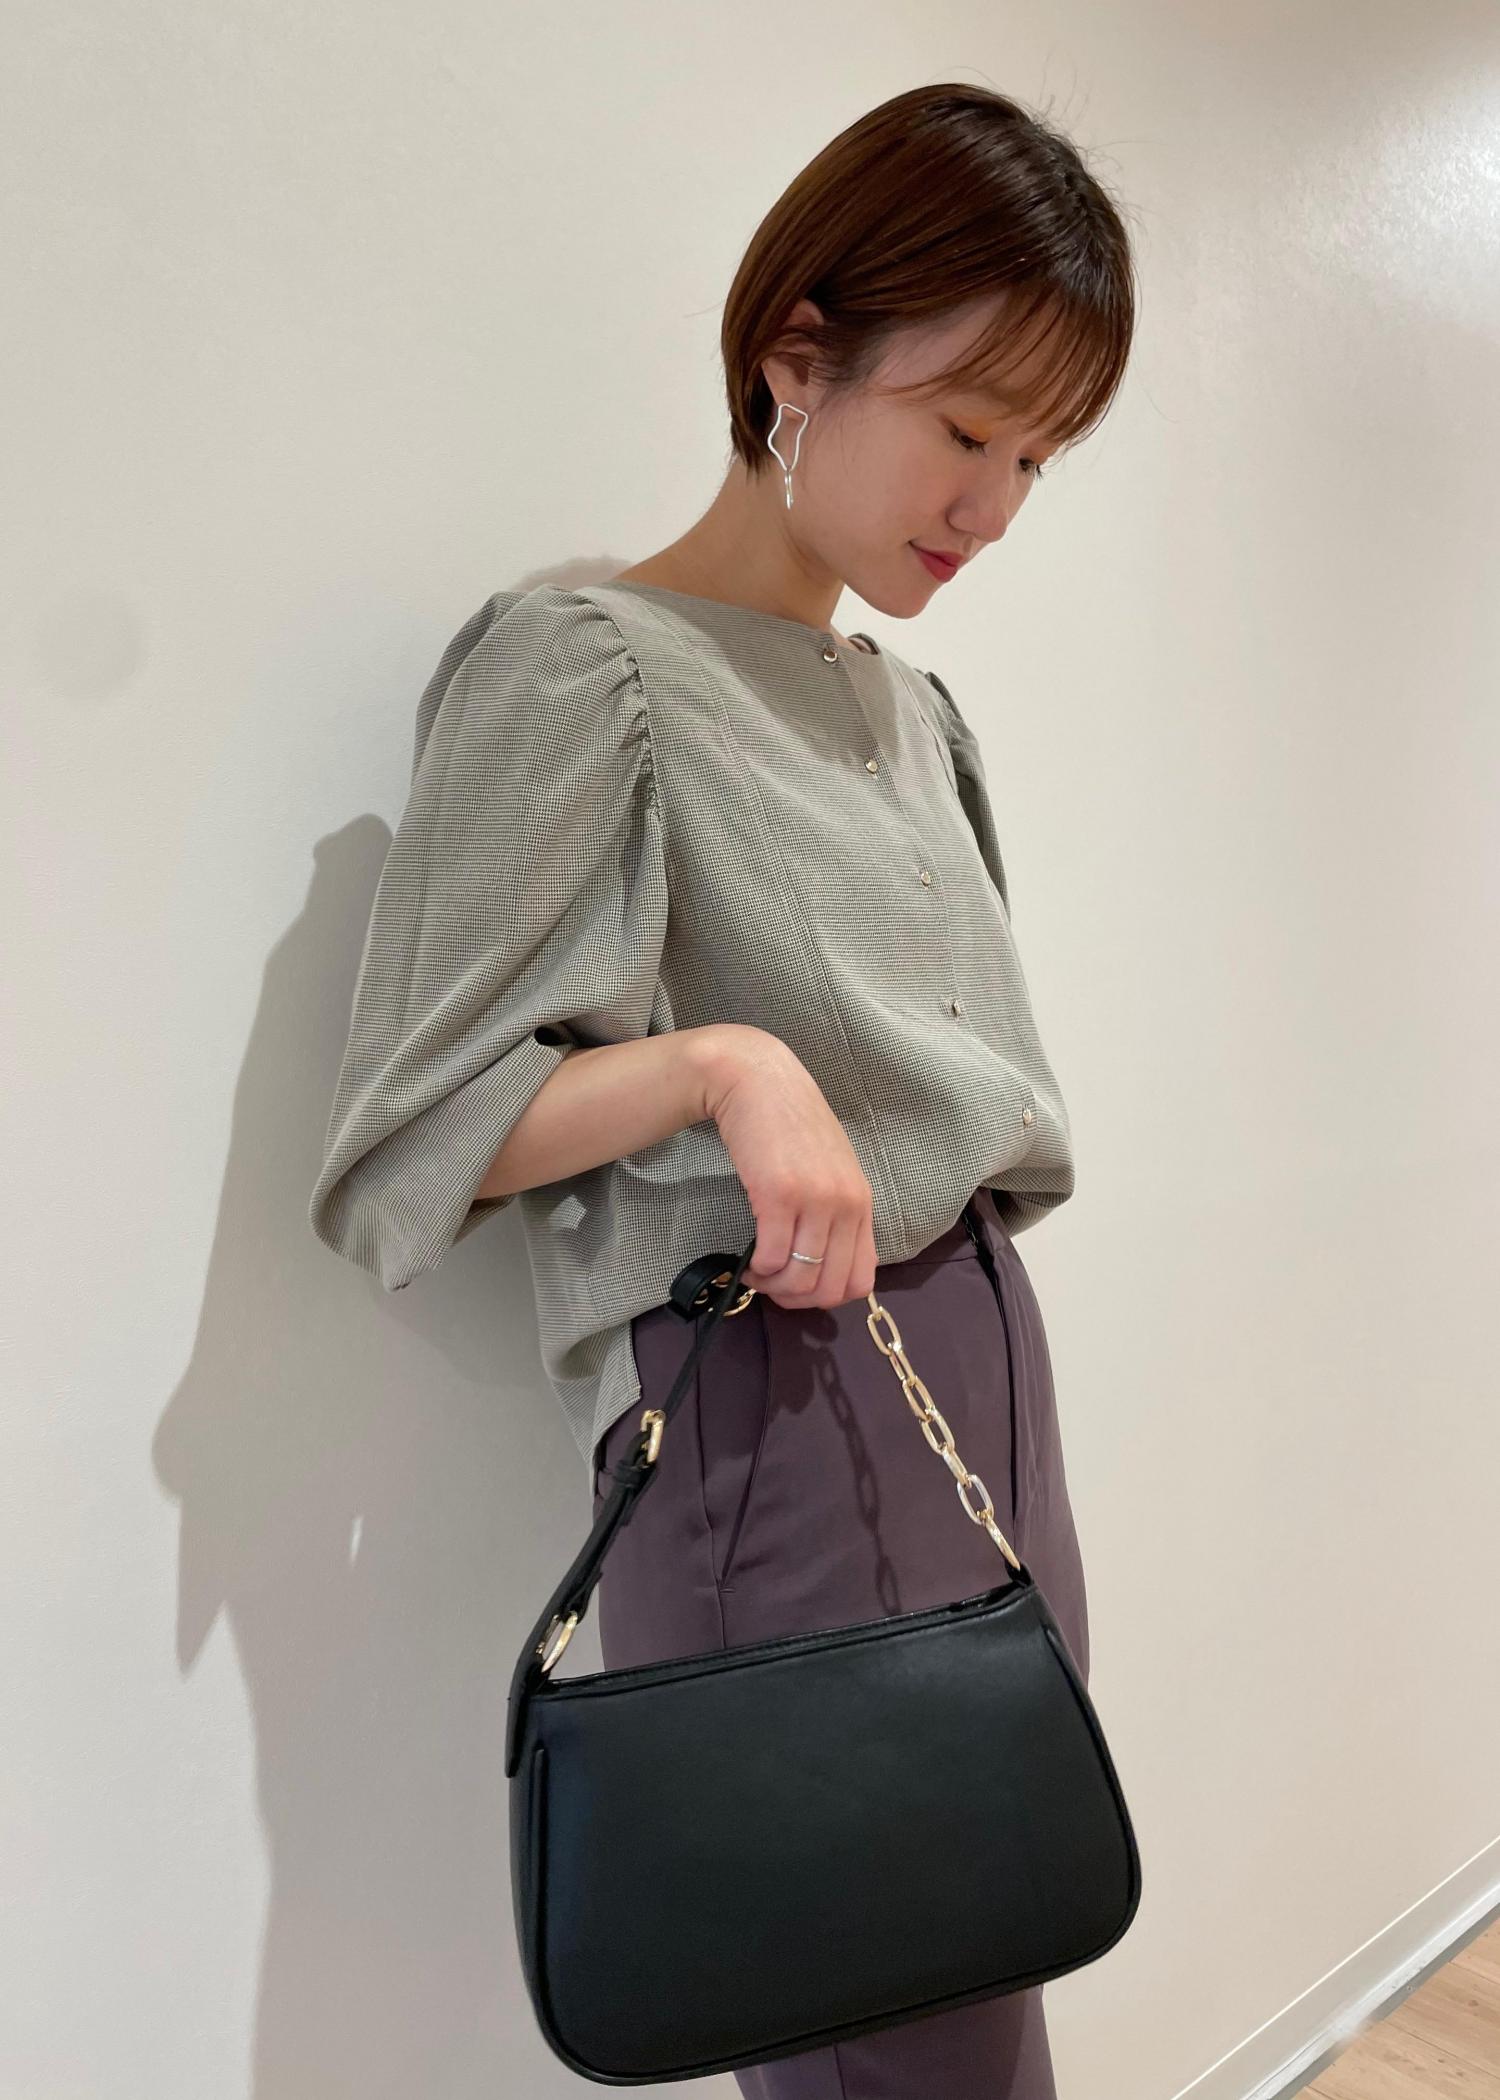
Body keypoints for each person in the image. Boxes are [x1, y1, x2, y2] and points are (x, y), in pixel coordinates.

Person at [309, 80, 1137, 2100]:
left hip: (977, 1379)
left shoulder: (912, 713)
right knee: (887, 2047)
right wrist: (721, 1063)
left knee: (990, 1986)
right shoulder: (586, 669)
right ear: (795, 358)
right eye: (967, 427)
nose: (995, 508)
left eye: (1037, 457)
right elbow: (412, 1139)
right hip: (768, 1400)